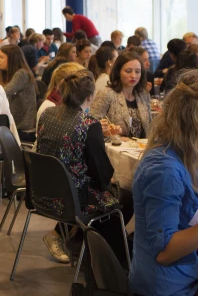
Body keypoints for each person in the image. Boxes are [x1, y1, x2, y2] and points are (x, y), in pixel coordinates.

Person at [129, 70, 198, 295]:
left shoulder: (187, 157)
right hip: (168, 287)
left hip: (186, 276)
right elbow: (165, 252)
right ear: (193, 117)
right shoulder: (165, 170)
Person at [37, 69, 130, 264]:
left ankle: (78, 241)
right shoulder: (88, 124)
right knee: (125, 196)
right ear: (91, 96)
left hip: (42, 193)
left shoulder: (47, 113)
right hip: (71, 200)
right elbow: (101, 173)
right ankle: (109, 260)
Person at [90, 52, 151, 137]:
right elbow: (92, 127)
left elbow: (150, 128)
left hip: (140, 148)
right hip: (114, 147)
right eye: (128, 71)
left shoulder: (144, 95)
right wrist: (113, 136)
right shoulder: (106, 94)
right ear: (118, 72)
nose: (133, 76)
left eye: (137, 71)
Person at [0, 45, 37, 140]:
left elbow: (3, 93)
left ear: (12, 59)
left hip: (23, 129)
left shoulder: (21, 74)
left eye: (1, 57)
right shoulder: (8, 73)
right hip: (15, 125)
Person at [36, 62, 84, 127]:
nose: (83, 86)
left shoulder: (68, 102)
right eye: (79, 82)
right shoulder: (49, 108)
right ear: (63, 83)